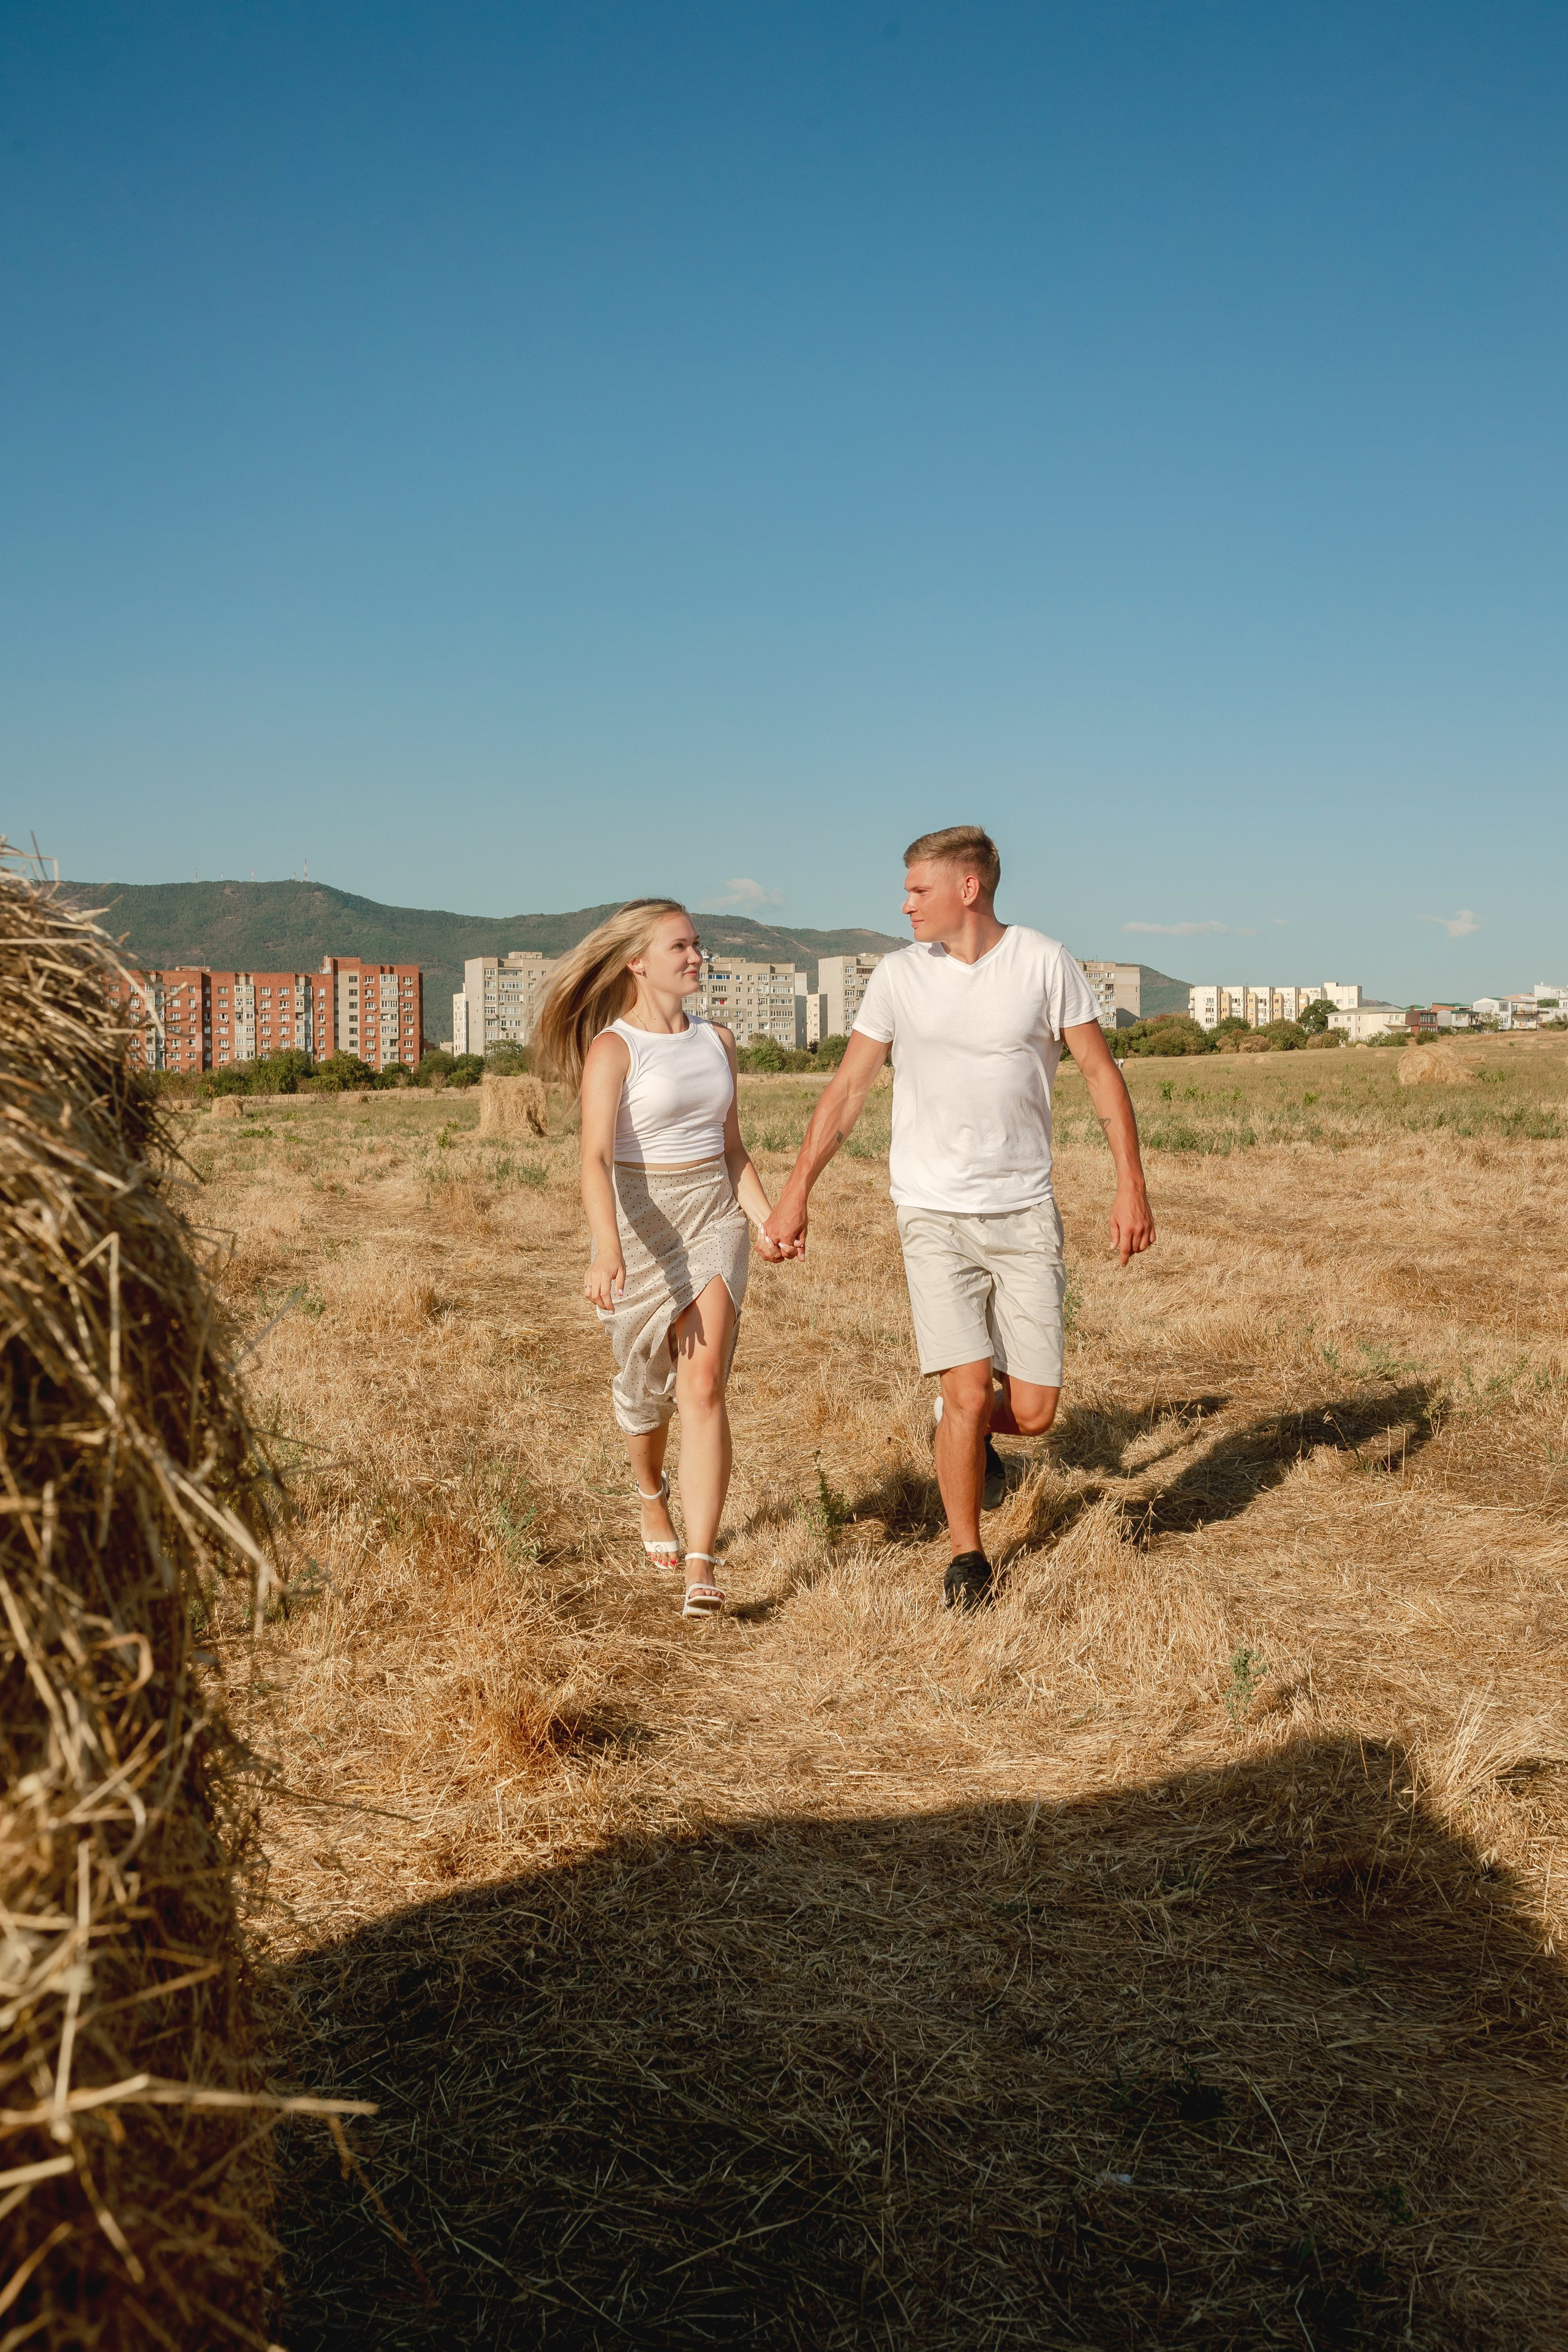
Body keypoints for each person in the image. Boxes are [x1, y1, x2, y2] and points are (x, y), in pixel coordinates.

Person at [764, 825, 1155, 1610]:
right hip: (930, 1211)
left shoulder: (1044, 962)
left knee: (1036, 1414)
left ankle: (964, 1427)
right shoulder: (898, 977)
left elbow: (1099, 1074)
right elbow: (846, 1093)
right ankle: (967, 1557)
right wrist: (796, 1189)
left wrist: (1130, 1186)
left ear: (967, 889)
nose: (903, 904)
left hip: (1022, 1210)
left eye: (917, 890)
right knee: (971, 1388)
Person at [535, 899, 792, 1618]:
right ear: (637, 962)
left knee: (702, 1382)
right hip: (640, 1221)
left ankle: (702, 1564)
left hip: (712, 1216)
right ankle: (651, 1495)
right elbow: (591, 1159)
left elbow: (732, 1148)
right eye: (679, 947)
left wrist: (765, 1219)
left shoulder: (720, 1040)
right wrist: (607, 1250)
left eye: (697, 945)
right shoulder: (614, 1049)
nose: (695, 957)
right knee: (644, 1391)